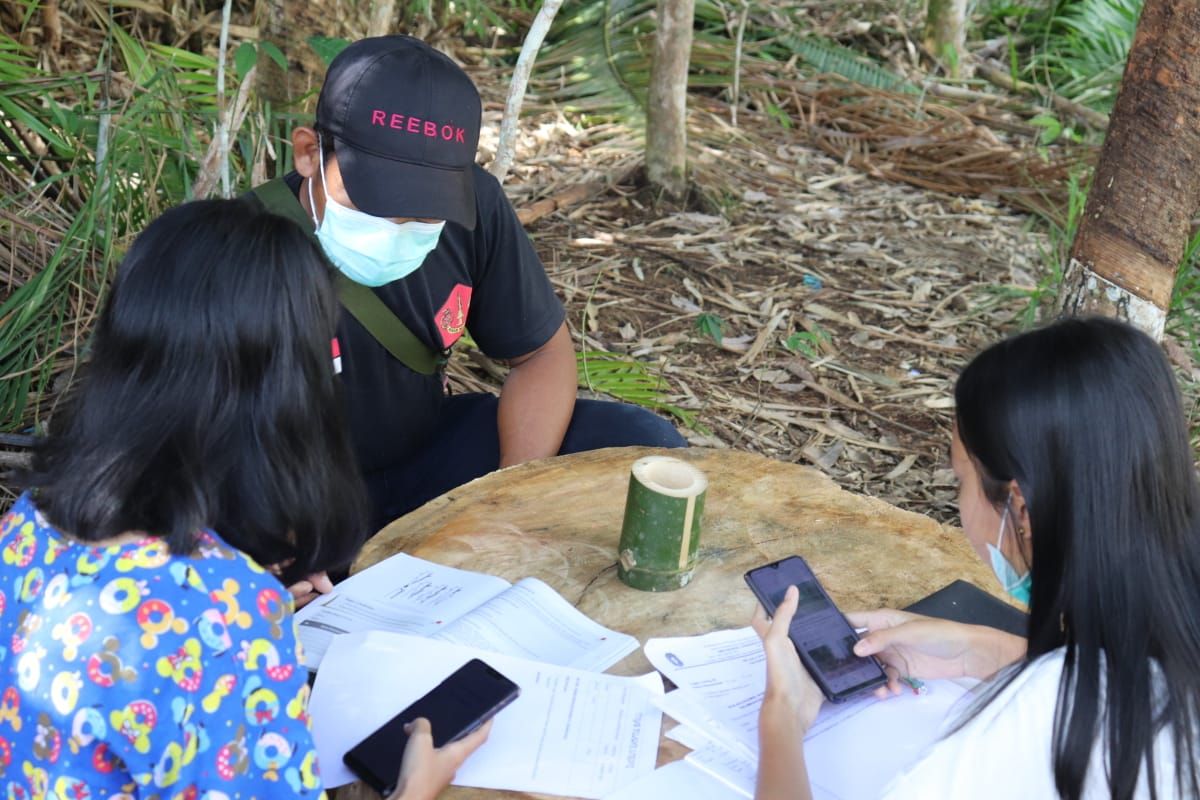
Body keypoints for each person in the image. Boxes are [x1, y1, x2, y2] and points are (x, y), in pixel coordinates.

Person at [0, 200, 487, 799]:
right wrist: (416, 790)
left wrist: (243, 591)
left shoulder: (27, 525)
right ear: (287, 389)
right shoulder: (222, 616)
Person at [246, 34, 686, 540]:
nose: (402, 223)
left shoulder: (475, 206)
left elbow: (541, 355)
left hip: (425, 462)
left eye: (426, 208)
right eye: (379, 198)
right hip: (292, 501)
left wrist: (508, 497)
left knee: (638, 445)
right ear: (308, 154)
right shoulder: (233, 249)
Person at [752, 316, 1200, 799]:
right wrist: (985, 650)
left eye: (960, 481)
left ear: (1020, 509)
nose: (959, 499)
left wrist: (783, 714)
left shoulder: (1051, 717)